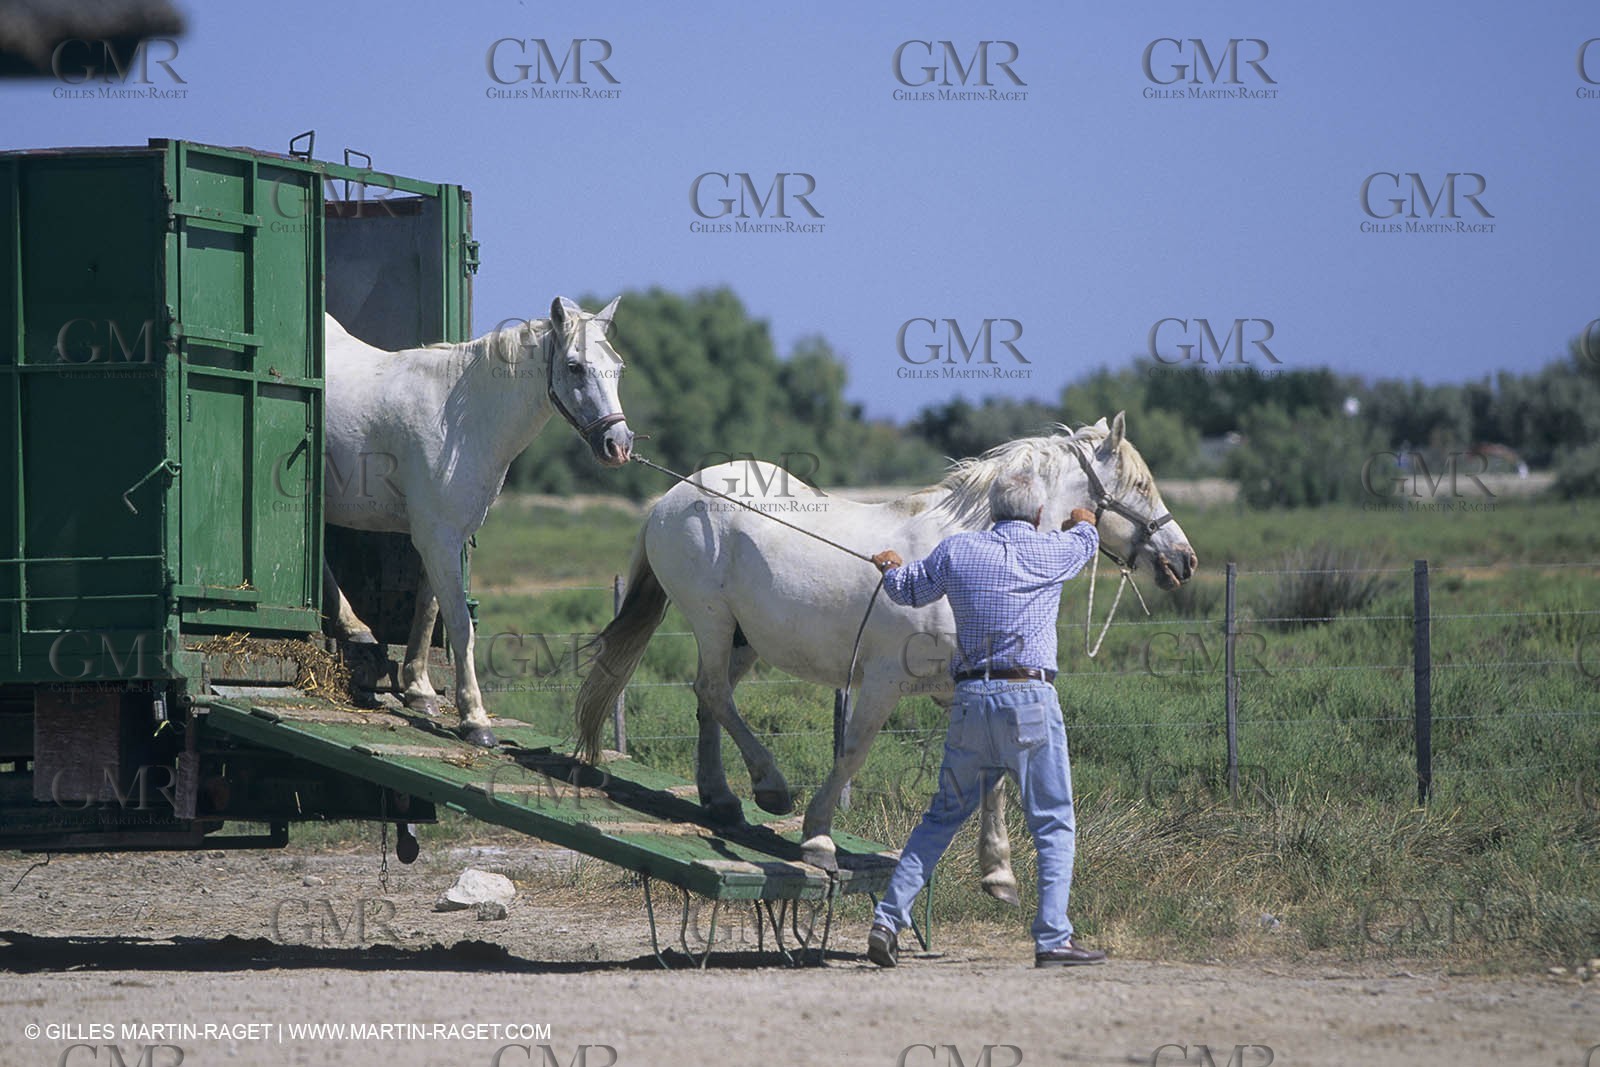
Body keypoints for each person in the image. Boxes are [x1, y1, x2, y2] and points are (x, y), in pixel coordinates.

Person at [865, 469, 1107, 969]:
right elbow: (1088, 538)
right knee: (1052, 822)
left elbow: (907, 591)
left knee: (941, 818)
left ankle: (887, 920)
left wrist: (889, 568)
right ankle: (1052, 938)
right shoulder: (1055, 550)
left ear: (992, 511)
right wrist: (1084, 520)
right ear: (1038, 514)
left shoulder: (958, 551)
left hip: (971, 700)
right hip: (1029, 701)